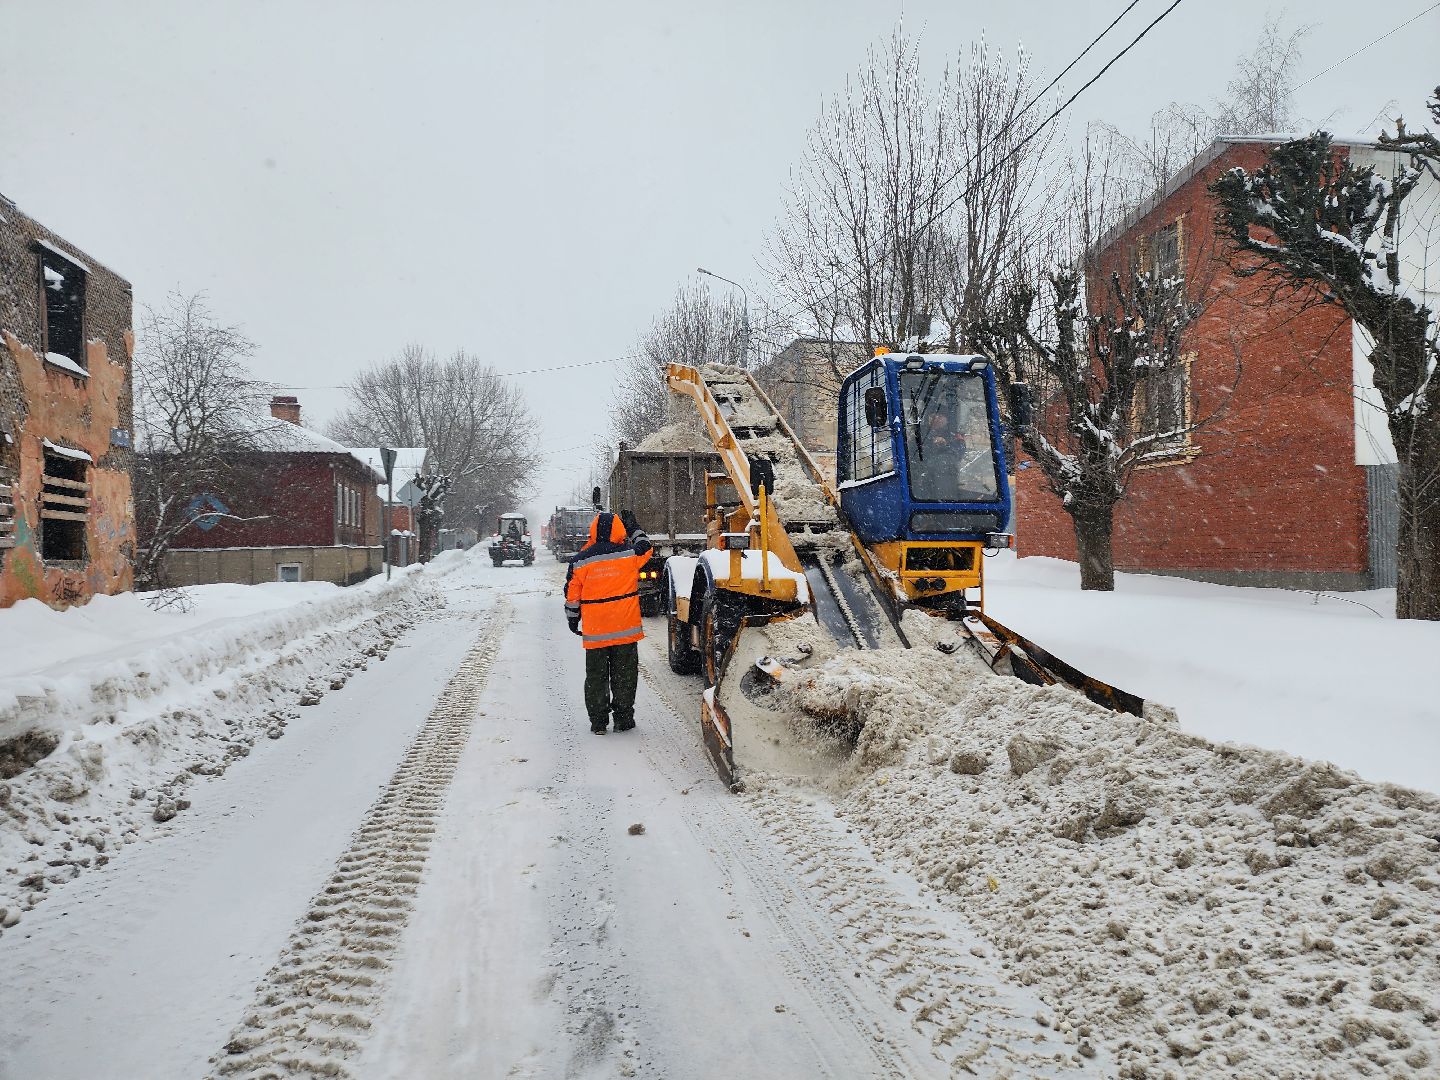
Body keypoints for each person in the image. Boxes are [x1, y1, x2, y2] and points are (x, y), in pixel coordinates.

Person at [564, 510, 652, 735]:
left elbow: (572, 596)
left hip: (596, 632)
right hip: (625, 629)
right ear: (619, 531)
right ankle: (623, 719)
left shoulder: (580, 561)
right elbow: (646, 547)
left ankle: (599, 722)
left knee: (596, 677)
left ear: (593, 532)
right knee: (624, 676)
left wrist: (573, 621)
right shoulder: (629, 554)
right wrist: (634, 528)